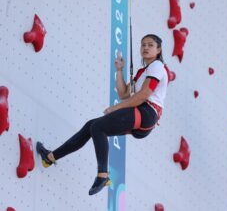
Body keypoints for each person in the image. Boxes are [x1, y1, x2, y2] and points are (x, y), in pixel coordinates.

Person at [36, 34, 168, 195]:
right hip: (142, 115)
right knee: (91, 126)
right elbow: (124, 94)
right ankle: (49, 158)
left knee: (98, 127)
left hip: (147, 112)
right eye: (143, 45)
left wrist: (116, 108)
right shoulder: (143, 71)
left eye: (150, 45)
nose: (145, 48)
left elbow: (144, 94)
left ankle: (103, 175)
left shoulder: (157, 66)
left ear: (159, 50)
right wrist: (119, 70)